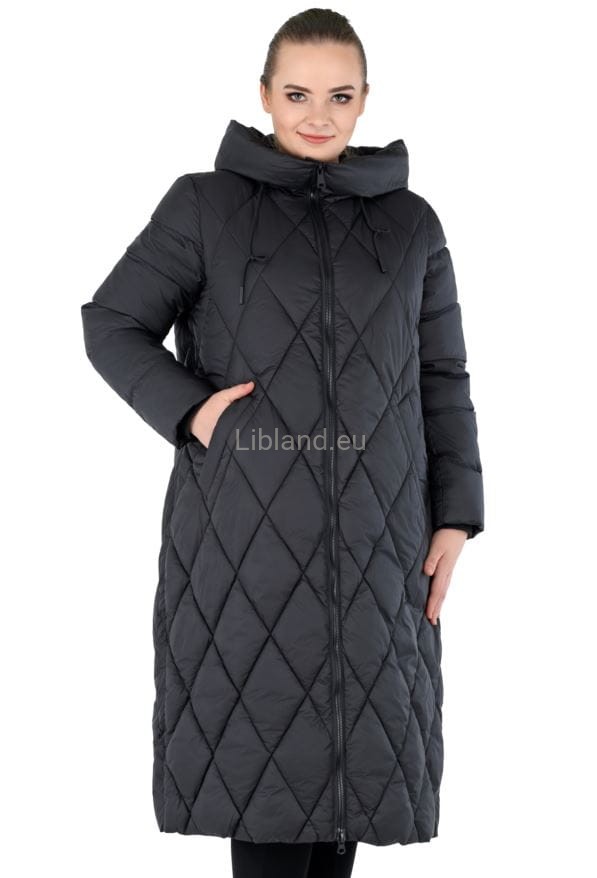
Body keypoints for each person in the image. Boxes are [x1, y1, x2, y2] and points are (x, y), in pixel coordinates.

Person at [81, 8, 484, 878]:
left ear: (365, 99)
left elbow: (439, 376)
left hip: (381, 546)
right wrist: (194, 412)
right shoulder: (205, 205)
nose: (318, 115)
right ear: (263, 95)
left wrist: (455, 516)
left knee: (355, 780)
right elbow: (111, 321)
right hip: (244, 544)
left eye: (339, 96)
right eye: (297, 94)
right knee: (262, 776)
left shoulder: (410, 224)